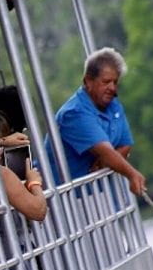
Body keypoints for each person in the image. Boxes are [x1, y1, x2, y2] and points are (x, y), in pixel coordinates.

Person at [45, 47, 146, 195]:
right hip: (68, 201)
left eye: (115, 82)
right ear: (88, 81)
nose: (112, 88)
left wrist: (106, 160)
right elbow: (105, 150)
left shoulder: (113, 105)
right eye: (106, 82)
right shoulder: (74, 113)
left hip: (99, 197)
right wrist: (131, 174)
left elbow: (126, 144)